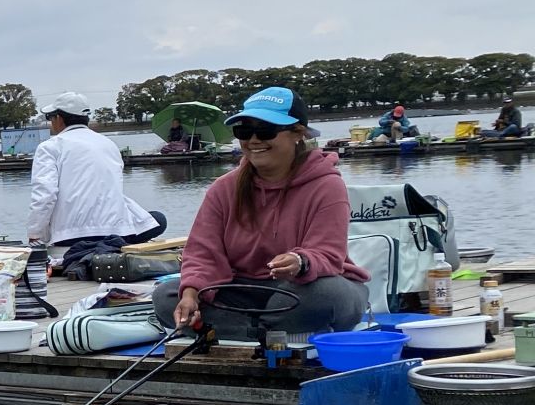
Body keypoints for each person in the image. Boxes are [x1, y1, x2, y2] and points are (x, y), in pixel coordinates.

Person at [155, 86, 367, 339]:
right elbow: (203, 254)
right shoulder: (223, 188)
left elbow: (327, 253)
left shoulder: (327, 185)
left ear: (297, 133)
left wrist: (300, 263)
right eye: (244, 131)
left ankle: (231, 331)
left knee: (327, 294)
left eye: (266, 130)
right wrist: (190, 295)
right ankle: (269, 333)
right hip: (245, 289)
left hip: (305, 286)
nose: (254, 140)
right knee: (167, 296)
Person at [25, 92, 166, 276]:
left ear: (59, 118)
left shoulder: (50, 147)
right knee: (158, 219)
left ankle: (88, 250)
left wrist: (36, 235)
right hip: (115, 232)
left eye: (50, 118)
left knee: (155, 219)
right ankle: (105, 247)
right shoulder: (108, 144)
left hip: (69, 236)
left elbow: (45, 195)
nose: (51, 122)